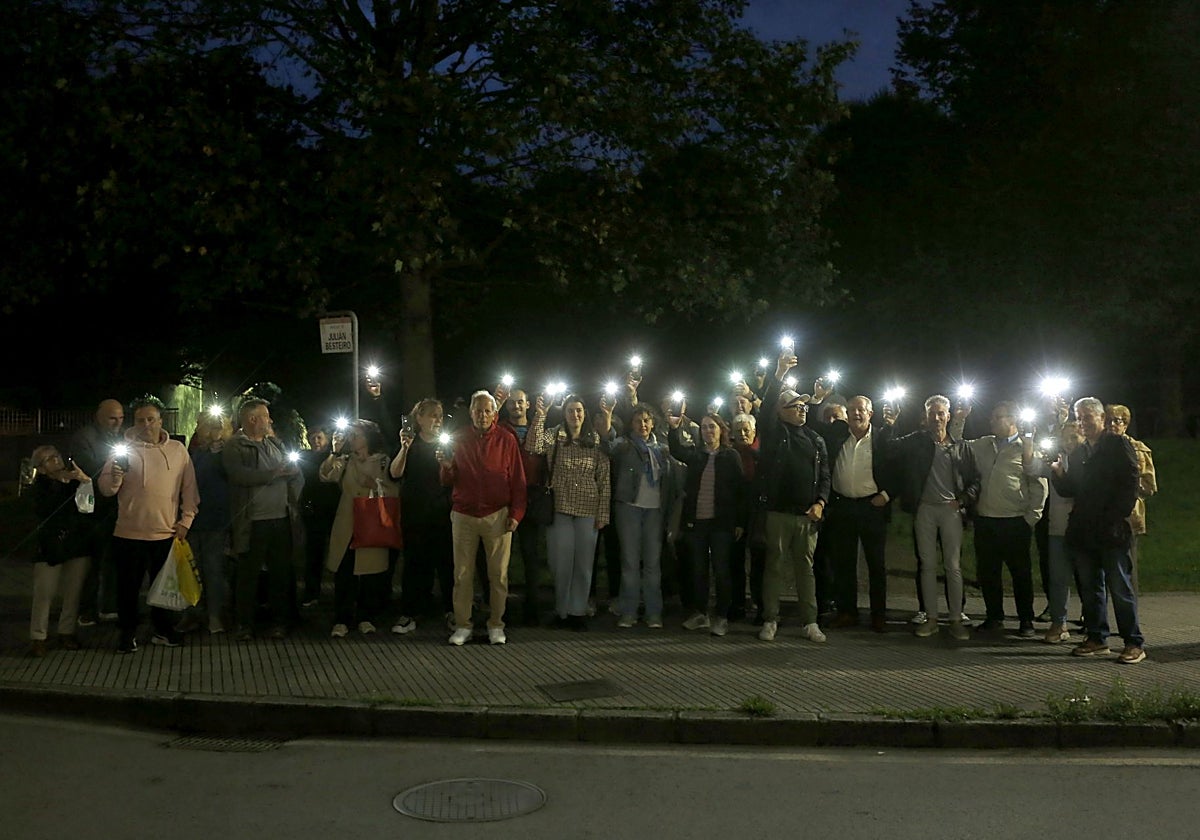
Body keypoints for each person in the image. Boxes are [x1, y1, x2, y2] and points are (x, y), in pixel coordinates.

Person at [97, 396, 199, 653]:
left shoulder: (177, 451)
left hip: (165, 533)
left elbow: (190, 490)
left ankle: (162, 630)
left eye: (151, 419)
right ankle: (127, 633)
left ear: (160, 421)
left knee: (163, 588)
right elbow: (106, 489)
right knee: (128, 589)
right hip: (129, 533)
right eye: (140, 420)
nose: (145, 425)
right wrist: (116, 477)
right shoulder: (123, 449)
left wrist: (186, 521)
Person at [1051, 397, 1145, 663]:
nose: (1082, 423)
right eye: (1079, 418)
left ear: (1101, 419)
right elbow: (1072, 490)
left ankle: (1133, 642)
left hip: (1111, 530)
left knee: (1120, 587)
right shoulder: (1081, 452)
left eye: (1087, 417)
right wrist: (1058, 473)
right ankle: (1096, 637)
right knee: (1091, 588)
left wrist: (1118, 515)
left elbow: (1131, 479)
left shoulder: (1117, 444)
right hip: (1084, 531)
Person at [884, 394, 979, 640]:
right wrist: (891, 424)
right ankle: (932, 618)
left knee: (953, 566)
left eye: (940, 413)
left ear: (948, 416)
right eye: (931, 413)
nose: (936, 418)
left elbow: (974, 480)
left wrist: (962, 501)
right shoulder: (917, 441)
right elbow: (889, 450)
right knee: (926, 565)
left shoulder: (960, 446)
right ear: (925, 417)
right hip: (924, 509)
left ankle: (956, 619)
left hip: (950, 511)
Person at [753, 349, 831, 644]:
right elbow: (766, 408)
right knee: (774, 567)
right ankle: (770, 619)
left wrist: (821, 503)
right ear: (781, 411)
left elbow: (825, 476)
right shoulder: (774, 433)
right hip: (777, 513)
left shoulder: (816, 439)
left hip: (807, 516)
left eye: (804, 406)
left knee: (805, 570)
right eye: (796, 405)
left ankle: (809, 622)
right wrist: (780, 374)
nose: (802, 409)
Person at [438, 391, 527, 646]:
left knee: (498, 574)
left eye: (487, 410)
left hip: (497, 514)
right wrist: (446, 466)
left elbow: (518, 480)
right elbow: (447, 480)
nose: (483, 415)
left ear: (494, 413)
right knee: (462, 574)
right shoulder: (459, 439)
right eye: (478, 410)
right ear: (471, 412)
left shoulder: (506, 440)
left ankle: (496, 624)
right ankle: (463, 624)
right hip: (464, 514)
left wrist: (516, 514)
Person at [809, 393, 895, 634]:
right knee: (843, 563)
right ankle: (848, 612)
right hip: (843, 506)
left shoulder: (882, 439)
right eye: (852, 410)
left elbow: (898, 470)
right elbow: (812, 426)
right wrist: (817, 399)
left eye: (861, 410)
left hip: (872, 507)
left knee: (876, 565)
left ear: (871, 413)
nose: (856, 413)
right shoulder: (837, 435)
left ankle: (878, 615)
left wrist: (886, 496)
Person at [960, 401, 1047, 637]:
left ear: (1013, 419)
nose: (993, 421)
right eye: (992, 417)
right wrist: (960, 419)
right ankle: (994, 616)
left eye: (998, 417)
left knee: (1020, 574)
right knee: (988, 572)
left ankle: (1026, 620)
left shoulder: (1026, 448)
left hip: (1015, 521)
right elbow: (956, 445)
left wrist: (1031, 517)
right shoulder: (982, 444)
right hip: (986, 520)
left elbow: (1038, 484)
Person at [526, 393, 611, 630]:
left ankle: (577, 611)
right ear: (564, 413)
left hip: (588, 507)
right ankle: (561, 610)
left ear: (585, 414)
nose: (575, 415)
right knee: (560, 562)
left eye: (579, 411)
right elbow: (533, 445)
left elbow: (604, 478)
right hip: (560, 506)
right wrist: (540, 416)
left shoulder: (594, 439)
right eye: (571, 410)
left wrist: (603, 514)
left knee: (584, 564)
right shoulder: (554, 435)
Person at [224, 398, 304, 641]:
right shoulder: (235, 447)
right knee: (248, 575)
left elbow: (294, 474)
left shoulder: (274, 444)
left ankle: (281, 621)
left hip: (280, 519)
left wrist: (292, 478)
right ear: (251, 419)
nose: (269, 420)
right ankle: (244, 624)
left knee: (280, 573)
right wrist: (274, 474)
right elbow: (239, 476)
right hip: (253, 521)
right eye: (265, 415)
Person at [597, 400, 677, 629]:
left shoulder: (661, 448)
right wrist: (608, 414)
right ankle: (629, 611)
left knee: (652, 563)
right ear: (631, 424)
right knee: (630, 562)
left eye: (646, 420)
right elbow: (607, 443)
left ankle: (654, 613)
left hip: (654, 511)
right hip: (629, 508)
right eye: (637, 421)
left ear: (652, 423)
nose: (642, 424)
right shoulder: (625, 445)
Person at [667, 411, 745, 636]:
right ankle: (700, 614)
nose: (708, 431)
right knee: (698, 570)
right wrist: (674, 429)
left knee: (721, 570)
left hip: (721, 523)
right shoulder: (697, 456)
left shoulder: (731, 456)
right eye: (704, 427)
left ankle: (721, 616)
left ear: (721, 429)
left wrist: (739, 521)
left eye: (712, 426)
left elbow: (740, 491)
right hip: (697, 523)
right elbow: (677, 451)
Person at [320, 419, 397, 637]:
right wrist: (334, 452)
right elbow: (325, 475)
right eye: (350, 436)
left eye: (356, 435)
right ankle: (342, 618)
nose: (352, 440)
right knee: (344, 572)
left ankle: (366, 617)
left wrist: (374, 485)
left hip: (372, 523)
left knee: (370, 573)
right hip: (347, 523)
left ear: (368, 438)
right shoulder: (345, 460)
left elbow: (394, 492)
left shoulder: (383, 462)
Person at [389, 399, 454, 634]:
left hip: (442, 512)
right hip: (415, 512)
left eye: (440, 415)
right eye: (433, 415)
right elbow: (395, 473)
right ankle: (411, 612)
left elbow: (455, 477)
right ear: (419, 418)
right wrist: (404, 448)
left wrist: (447, 464)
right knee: (415, 563)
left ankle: (451, 611)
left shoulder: (447, 444)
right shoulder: (412, 443)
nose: (437, 420)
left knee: (447, 563)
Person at [29, 445, 93, 656]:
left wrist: (84, 482)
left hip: (76, 544)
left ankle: (67, 632)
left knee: (73, 592)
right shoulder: (39, 487)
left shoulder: (75, 480)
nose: (54, 461)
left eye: (55, 456)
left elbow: (87, 508)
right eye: (47, 460)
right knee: (44, 593)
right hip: (50, 546)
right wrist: (59, 483)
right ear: (41, 467)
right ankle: (39, 636)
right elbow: (44, 510)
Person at [495, 385, 549, 625]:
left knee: (531, 555)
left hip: (533, 495)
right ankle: (500, 609)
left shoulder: (540, 429)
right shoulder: (500, 430)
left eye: (520, 402)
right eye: (512, 402)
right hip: (506, 497)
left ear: (528, 404)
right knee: (501, 557)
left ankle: (533, 608)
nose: (516, 406)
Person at [1026, 421, 1084, 644]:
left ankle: (1095, 623)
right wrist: (1029, 440)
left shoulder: (1090, 458)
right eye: (1065, 438)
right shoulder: (1056, 459)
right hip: (1059, 527)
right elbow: (1031, 468)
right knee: (1058, 578)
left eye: (1074, 437)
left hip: (1085, 527)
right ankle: (1059, 623)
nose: (1069, 442)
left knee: (1089, 579)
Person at [69, 398, 124, 626]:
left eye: (120, 418)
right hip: (93, 509)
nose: (117, 423)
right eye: (112, 418)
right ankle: (87, 609)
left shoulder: (120, 438)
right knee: (93, 562)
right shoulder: (84, 438)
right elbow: (88, 467)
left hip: (115, 508)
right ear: (99, 417)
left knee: (112, 559)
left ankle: (108, 606)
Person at [179, 412, 232, 634]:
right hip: (194, 518)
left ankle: (214, 616)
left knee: (213, 569)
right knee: (193, 569)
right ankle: (194, 613)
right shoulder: (196, 453)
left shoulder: (225, 453)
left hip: (216, 519)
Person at [1105, 404, 1157, 593]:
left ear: (1125, 424)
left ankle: (1130, 612)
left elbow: (1149, 487)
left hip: (1128, 515)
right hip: (1100, 514)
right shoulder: (1096, 446)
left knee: (1126, 566)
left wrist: (1127, 486)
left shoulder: (1138, 450)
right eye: (1107, 420)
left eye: (1116, 421)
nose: (1111, 425)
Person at [299, 426, 340, 607]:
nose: (316, 441)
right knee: (314, 552)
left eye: (320, 438)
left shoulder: (335, 456)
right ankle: (312, 592)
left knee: (338, 552)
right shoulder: (304, 456)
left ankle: (339, 591)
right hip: (313, 509)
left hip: (334, 508)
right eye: (313, 437)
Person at [730, 412, 762, 622]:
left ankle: (761, 606)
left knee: (760, 564)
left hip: (759, 517)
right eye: (738, 431)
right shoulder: (729, 455)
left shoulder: (763, 455)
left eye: (746, 431)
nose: (742, 434)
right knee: (735, 563)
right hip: (735, 517)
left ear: (754, 432)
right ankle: (737, 605)